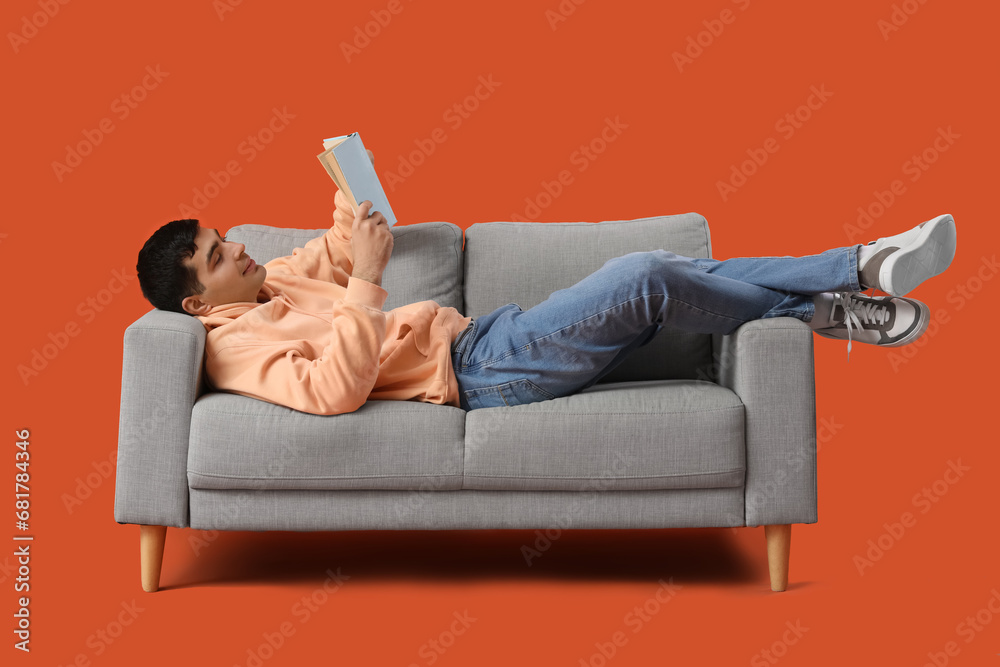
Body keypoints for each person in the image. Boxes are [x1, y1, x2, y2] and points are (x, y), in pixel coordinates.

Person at [135, 153, 957, 415]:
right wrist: (369, 282)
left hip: (489, 333)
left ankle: (845, 285)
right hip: (484, 374)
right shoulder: (234, 345)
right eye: (217, 257)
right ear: (198, 303)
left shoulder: (275, 280)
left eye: (221, 237)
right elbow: (330, 390)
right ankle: (849, 277)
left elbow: (343, 242)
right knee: (644, 276)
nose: (237, 248)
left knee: (682, 274)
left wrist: (347, 178)